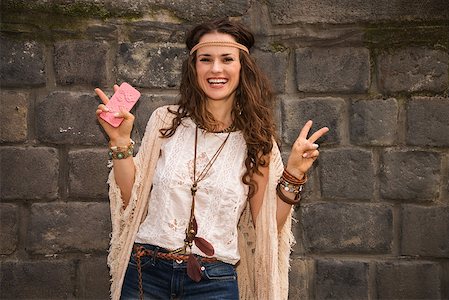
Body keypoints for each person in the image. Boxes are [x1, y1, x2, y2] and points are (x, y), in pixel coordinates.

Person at [95, 18, 328, 300]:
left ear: (243, 67)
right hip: (147, 272)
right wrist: (120, 142)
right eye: (206, 59)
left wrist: (293, 174)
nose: (216, 69)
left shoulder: (257, 140)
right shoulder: (164, 121)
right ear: (194, 68)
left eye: (227, 59)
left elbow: (265, 225)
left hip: (213, 283)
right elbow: (132, 199)